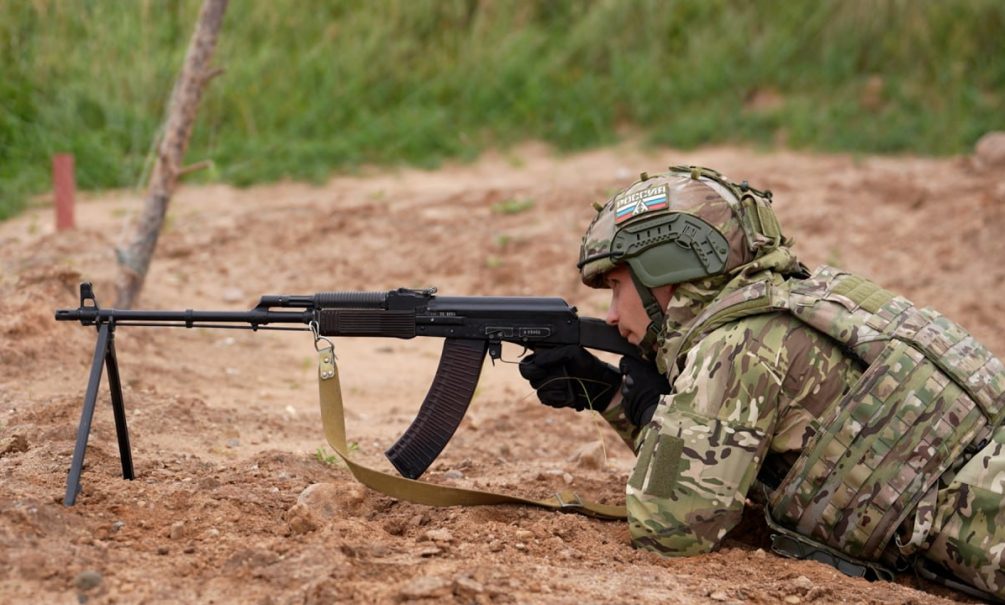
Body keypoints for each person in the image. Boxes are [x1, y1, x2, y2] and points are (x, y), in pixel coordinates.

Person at [518, 165, 1005, 601]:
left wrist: (652, 411)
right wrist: (617, 396)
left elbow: (670, 526)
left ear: (664, 271)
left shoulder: (734, 346)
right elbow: (726, 463)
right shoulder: (801, 303)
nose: (609, 313)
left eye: (617, 286)